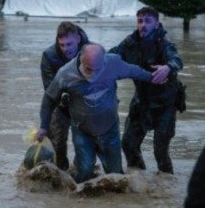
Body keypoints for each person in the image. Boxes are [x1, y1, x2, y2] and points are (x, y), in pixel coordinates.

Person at [36, 44, 155, 183]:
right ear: (81, 58)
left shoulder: (112, 63)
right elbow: (49, 98)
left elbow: (133, 70)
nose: (92, 74)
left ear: (104, 60)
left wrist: (152, 77)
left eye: (97, 70)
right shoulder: (65, 73)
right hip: (82, 131)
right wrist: (44, 126)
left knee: (116, 177)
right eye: (88, 69)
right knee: (84, 174)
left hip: (109, 129)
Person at [109, 6, 183, 174]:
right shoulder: (130, 43)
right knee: (128, 144)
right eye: (140, 21)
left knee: (160, 150)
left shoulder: (165, 44)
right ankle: (138, 179)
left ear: (157, 24)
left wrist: (167, 68)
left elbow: (177, 60)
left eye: (148, 21)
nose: (143, 25)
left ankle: (166, 187)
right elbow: (109, 57)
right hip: (141, 101)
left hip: (165, 103)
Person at [40, 21, 89, 170]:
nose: (65, 49)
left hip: (85, 105)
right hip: (60, 103)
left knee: (86, 143)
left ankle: (82, 172)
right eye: (62, 45)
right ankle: (62, 175)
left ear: (78, 40)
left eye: (69, 44)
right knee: (58, 143)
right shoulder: (49, 56)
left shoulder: (92, 52)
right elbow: (49, 91)